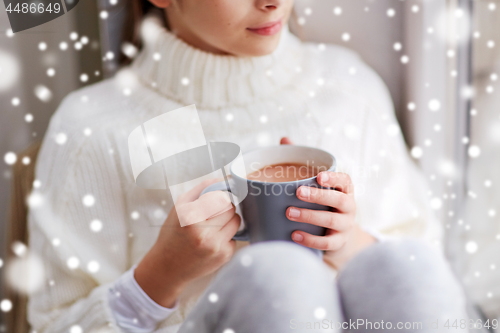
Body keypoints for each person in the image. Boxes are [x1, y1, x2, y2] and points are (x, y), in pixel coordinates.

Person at [27, 0, 468, 332]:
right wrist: (160, 275)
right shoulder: (93, 129)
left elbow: (421, 272)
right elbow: (53, 323)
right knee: (280, 276)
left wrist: (345, 240)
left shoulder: (348, 89)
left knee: (409, 266)